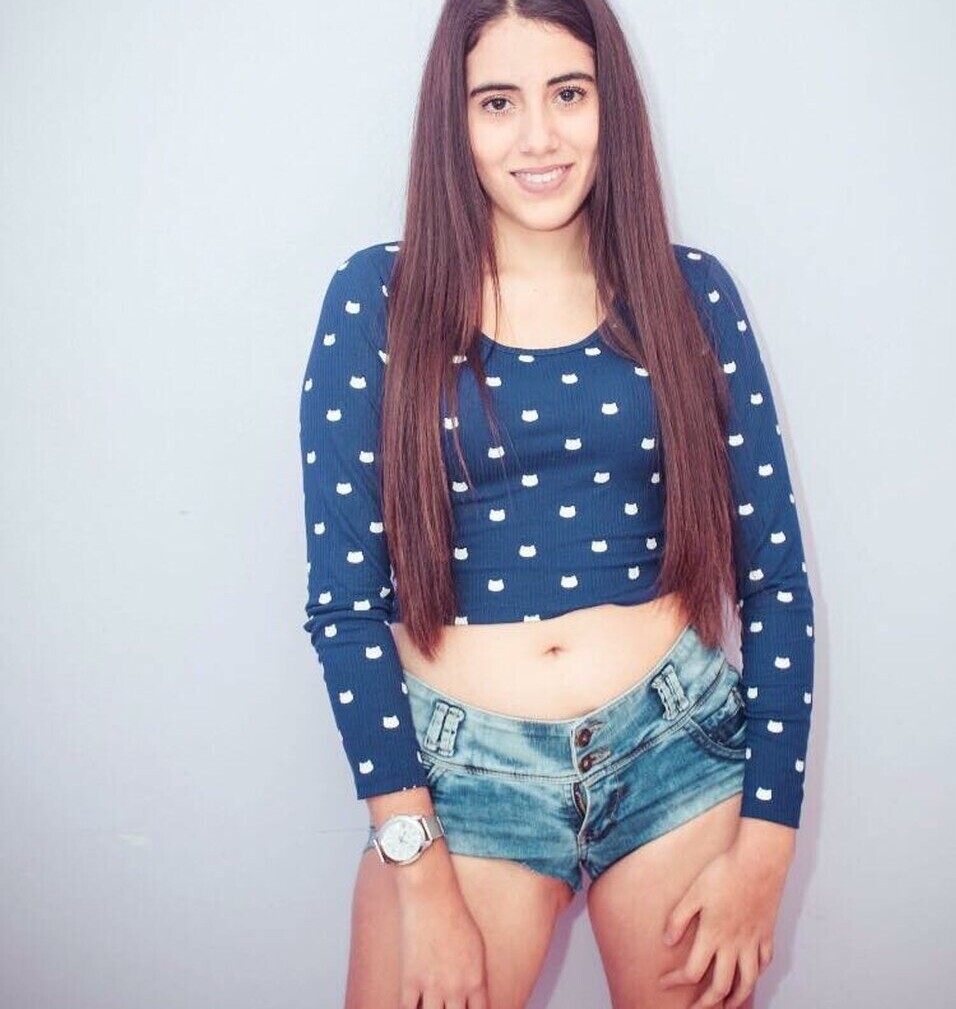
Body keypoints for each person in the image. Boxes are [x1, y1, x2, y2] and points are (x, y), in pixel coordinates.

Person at [298, 2, 815, 1007]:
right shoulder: (378, 300)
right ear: (454, 122)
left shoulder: (691, 295)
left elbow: (776, 582)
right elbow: (345, 609)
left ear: (608, 104)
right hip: (463, 782)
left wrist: (766, 850)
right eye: (498, 102)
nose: (538, 136)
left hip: (676, 755)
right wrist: (418, 872)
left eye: (568, 93)